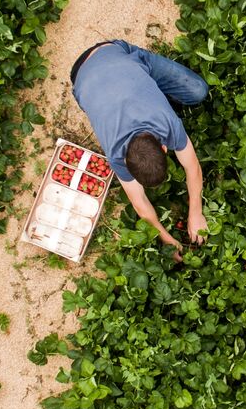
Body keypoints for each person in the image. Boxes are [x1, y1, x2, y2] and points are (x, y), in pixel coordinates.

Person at [70, 39, 209, 251]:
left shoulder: (168, 123)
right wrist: (167, 239)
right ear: (164, 147)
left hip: (102, 64)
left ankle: (140, 77)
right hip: (85, 74)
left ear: (163, 147)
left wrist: (196, 212)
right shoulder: (115, 154)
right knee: (189, 92)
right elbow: (140, 203)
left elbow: (193, 167)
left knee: (198, 91)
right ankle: (140, 82)